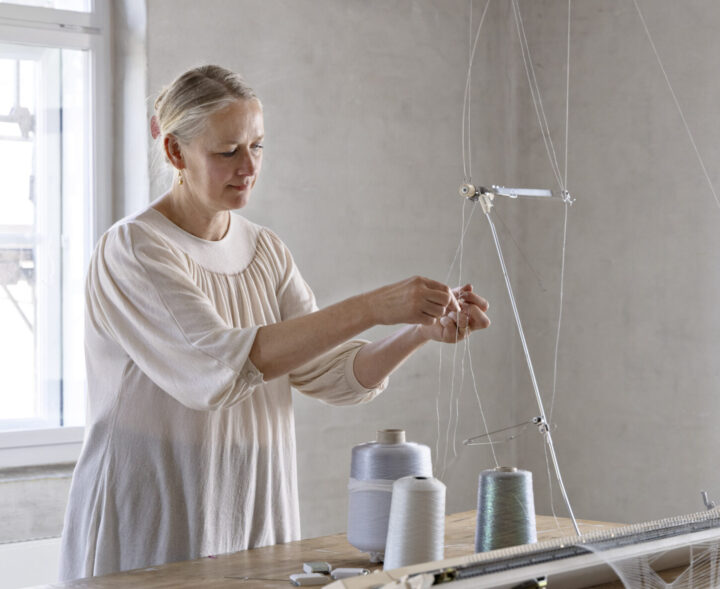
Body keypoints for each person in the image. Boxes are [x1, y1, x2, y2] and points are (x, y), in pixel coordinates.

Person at [59, 65, 490, 581]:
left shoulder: (265, 251)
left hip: (249, 508)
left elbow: (330, 372)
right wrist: (371, 307)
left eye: (257, 147)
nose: (248, 167)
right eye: (228, 151)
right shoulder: (134, 249)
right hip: (156, 513)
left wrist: (419, 330)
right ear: (176, 152)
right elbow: (214, 369)